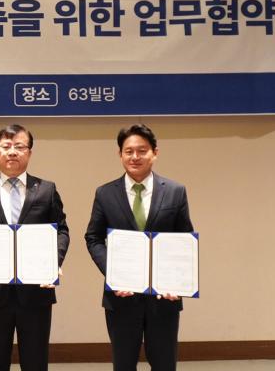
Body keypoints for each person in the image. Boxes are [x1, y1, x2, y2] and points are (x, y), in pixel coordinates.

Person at [0, 124, 69, 371]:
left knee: (36, 361)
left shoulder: (47, 189)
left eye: (19, 146)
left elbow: (61, 231)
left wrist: (55, 262)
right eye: (6, 146)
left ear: (29, 152)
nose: (12, 152)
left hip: (36, 290)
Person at [84, 123, 194, 371]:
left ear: (155, 153)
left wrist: (177, 282)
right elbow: (93, 238)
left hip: (163, 297)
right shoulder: (105, 193)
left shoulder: (175, 191)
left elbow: (184, 240)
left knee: (164, 363)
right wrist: (114, 274)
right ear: (120, 154)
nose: (135, 157)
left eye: (142, 151)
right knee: (123, 364)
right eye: (129, 151)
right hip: (121, 298)